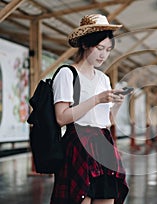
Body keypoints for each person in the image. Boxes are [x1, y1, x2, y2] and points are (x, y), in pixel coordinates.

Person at [50, 14, 129, 204]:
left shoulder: (103, 79)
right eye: (99, 48)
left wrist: (117, 103)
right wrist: (97, 99)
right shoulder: (67, 74)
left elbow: (107, 120)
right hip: (78, 145)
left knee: (107, 198)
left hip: (103, 145)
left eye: (108, 50)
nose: (103, 55)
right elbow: (61, 118)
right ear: (85, 45)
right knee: (80, 198)